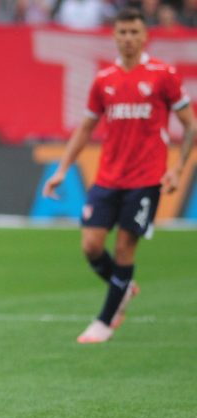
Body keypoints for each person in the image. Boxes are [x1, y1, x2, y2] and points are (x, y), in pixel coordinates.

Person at [43, 7, 195, 344]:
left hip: (146, 178)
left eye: (134, 33)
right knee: (91, 245)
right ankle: (123, 287)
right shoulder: (104, 80)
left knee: (125, 249)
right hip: (108, 177)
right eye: (122, 32)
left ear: (145, 36)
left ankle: (105, 321)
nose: (128, 39)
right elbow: (85, 128)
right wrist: (62, 169)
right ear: (114, 36)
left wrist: (178, 169)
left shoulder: (163, 74)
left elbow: (189, 125)